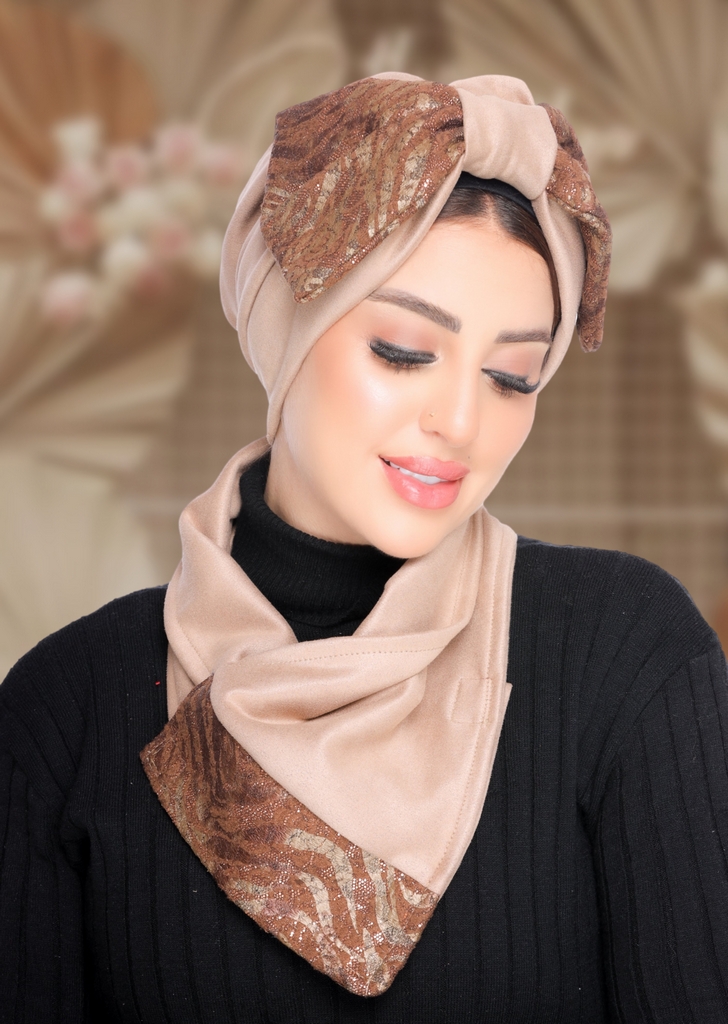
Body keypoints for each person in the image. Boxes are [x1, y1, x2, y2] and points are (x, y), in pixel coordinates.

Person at [1, 72, 727, 1024]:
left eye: (512, 376)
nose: (460, 420)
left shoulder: (627, 657)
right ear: (286, 326)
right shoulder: (66, 711)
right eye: (404, 352)